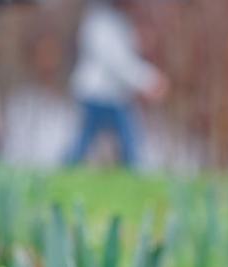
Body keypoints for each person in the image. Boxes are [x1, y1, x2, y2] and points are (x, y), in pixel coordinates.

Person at [64, 0, 168, 168]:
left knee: (90, 138)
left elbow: (124, 58)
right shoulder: (101, 23)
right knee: (126, 139)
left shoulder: (112, 21)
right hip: (100, 93)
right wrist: (149, 81)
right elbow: (117, 63)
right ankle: (134, 173)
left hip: (107, 93)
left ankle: (68, 169)